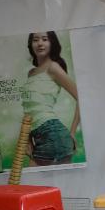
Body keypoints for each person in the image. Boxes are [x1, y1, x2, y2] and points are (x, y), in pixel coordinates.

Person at [23, 32, 81, 166]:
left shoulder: (53, 67)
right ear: (31, 45)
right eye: (35, 40)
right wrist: (27, 140)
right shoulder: (31, 73)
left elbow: (81, 98)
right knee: (36, 185)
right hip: (37, 137)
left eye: (45, 39)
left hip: (54, 135)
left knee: (42, 184)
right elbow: (29, 108)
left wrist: (72, 132)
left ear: (52, 43)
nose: (40, 43)